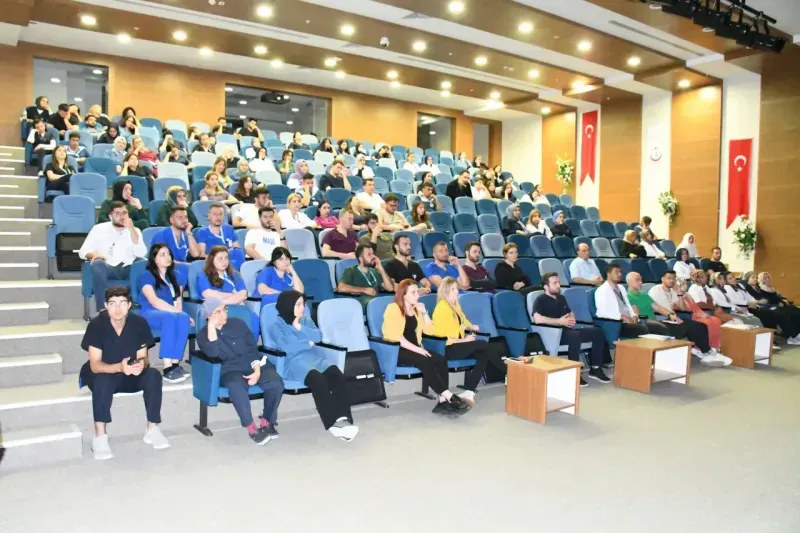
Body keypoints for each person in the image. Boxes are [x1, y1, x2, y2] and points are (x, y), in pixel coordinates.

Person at [79, 286, 168, 460]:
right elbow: (95, 365)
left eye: (122, 303)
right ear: (106, 305)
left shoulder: (139, 323)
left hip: (129, 373)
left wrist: (140, 365)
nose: (117, 309)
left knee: (153, 375)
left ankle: (152, 429)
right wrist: (119, 367)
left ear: (129, 305)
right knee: (102, 380)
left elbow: (144, 358)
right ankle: (100, 437)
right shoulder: (96, 325)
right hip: (104, 373)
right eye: (112, 304)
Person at [272, 291, 359, 440]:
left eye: (303, 304)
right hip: (293, 362)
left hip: (314, 357)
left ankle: (343, 418)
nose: (302, 308)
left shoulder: (305, 320)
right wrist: (307, 343)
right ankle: (332, 423)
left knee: (336, 373)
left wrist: (299, 328)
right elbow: (287, 347)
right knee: (318, 379)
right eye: (298, 304)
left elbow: (318, 337)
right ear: (288, 305)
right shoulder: (277, 325)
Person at [197, 298, 283, 445]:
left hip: (252, 363)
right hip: (229, 370)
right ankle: (251, 427)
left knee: (276, 382)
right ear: (209, 315)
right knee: (236, 385)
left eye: (225, 309)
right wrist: (212, 326)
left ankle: (267, 421)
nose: (224, 313)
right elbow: (213, 353)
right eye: (219, 311)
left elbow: (252, 349)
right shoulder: (203, 334)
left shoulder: (238, 323)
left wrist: (256, 371)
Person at [381, 280, 471, 417]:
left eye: (417, 292)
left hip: (415, 349)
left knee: (440, 360)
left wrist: (424, 313)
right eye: (413, 292)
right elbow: (397, 337)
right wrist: (420, 350)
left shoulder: (416, 310)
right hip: (396, 350)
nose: (417, 295)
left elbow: (430, 331)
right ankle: (449, 396)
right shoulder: (393, 308)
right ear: (403, 295)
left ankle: (442, 402)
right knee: (425, 360)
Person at [431, 276, 508, 405]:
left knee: (483, 353)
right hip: (447, 347)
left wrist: (470, 326)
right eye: (453, 289)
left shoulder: (454, 305)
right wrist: (464, 340)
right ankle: (508, 373)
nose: (457, 291)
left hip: (457, 345)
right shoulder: (442, 308)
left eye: (456, 288)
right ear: (445, 291)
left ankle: (470, 391)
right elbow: (442, 337)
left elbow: (463, 320)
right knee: (483, 344)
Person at [532, 273, 611, 385]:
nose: (558, 285)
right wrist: (559, 321)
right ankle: (575, 372)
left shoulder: (561, 298)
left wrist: (571, 318)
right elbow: (537, 319)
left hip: (567, 331)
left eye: (558, 282)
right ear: (546, 286)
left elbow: (570, 312)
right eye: (555, 283)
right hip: (553, 334)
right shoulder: (540, 299)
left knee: (598, 331)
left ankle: (595, 368)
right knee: (575, 336)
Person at [647, 270, 730, 365]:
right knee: (692, 326)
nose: (672, 281)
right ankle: (705, 352)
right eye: (669, 278)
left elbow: (682, 307)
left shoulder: (672, 291)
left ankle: (707, 351)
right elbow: (659, 309)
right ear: (662, 279)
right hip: (662, 319)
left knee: (701, 325)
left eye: (673, 278)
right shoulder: (656, 290)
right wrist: (670, 314)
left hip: (672, 318)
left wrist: (679, 294)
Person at [136, 244, 193, 383]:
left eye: (168, 253)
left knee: (182, 318)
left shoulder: (176, 276)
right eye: (162, 255)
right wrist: (178, 312)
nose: (167, 257)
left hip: (170, 312)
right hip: (149, 312)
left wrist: (182, 314)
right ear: (154, 259)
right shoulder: (146, 276)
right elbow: (154, 301)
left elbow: (178, 301)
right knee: (171, 317)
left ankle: (175, 364)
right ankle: (167, 368)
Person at [79, 202, 147, 313]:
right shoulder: (98, 229)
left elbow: (141, 253)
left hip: (128, 268)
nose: (122, 216)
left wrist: (131, 229)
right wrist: (95, 255)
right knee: (97, 263)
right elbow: (83, 252)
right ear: (110, 216)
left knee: (142, 265)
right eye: (117, 213)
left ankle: (137, 304)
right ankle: (103, 309)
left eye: (124, 213)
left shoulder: (135, 231)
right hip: (107, 266)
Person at [742, 272, 800, 344]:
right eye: (753, 277)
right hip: (764, 307)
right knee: (783, 314)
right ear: (747, 279)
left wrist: (781, 301)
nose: (755, 279)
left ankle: (796, 333)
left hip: (769, 305)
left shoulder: (758, 288)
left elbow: (769, 298)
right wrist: (773, 304)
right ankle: (793, 336)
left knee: (794, 310)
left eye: (756, 278)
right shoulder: (747, 288)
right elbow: (756, 301)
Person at [594, 264, 649, 337]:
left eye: (620, 272)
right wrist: (623, 317)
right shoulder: (602, 290)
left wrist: (634, 316)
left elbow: (628, 306)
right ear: (608, 274)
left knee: (653, 327)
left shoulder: (621, 287)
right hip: (616, 324)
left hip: (629, 322)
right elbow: (602, 313)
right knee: (643, 329)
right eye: (616, 272)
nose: (620, 274)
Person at [337, 243, 394, 310]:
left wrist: (381, 269)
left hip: (375, 303)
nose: (373, 256)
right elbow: (341, 288)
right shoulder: (350, 270)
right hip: (360, 304)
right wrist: (364, 290)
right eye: (369, 254)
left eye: (373, 254)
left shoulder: (375, 272)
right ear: (361, 259)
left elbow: (390, 288)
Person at [195, 203, 245, 268]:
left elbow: (237, 248)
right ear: (209, 216)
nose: (218, 217)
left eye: (220, 214)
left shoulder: (229, 229)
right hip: (214, 262)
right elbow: (202, 255)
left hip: (230, 260)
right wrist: (219, 257)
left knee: (238, 252)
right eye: (215, 214)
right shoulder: (203, 232)